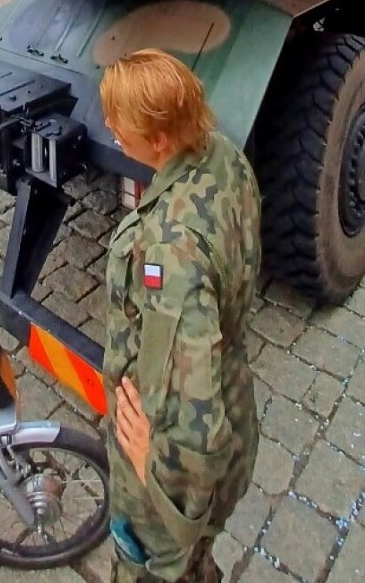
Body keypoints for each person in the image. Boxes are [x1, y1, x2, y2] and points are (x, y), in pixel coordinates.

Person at [100, 49, 261, 583]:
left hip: (165, 477)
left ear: (160, 140)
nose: (109, 129)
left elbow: (194, 413)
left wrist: (158, 468)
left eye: (120, 124)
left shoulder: (169, 253)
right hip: (239, 409)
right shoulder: (224, 157)